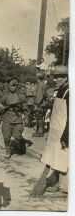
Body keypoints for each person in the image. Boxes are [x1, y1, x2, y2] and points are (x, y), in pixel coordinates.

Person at [41, 65, 69, 194]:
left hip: (64, 131)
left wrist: (66, 136)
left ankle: (65, 187)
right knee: (55, 157)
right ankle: (57, 181)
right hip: (55, 131)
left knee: (63, 158)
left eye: (59, 77)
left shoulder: (70, 92)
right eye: (55, 77)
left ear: (66, 77)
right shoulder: (60, 90)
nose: (56, 80)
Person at [0, 79, 27, 158]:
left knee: (17, 136)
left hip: (17, 118)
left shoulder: (21, 96)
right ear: (9, 86)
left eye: (15, 86)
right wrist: (2, 107)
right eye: (12, 86)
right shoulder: (5, 95)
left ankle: (21, 142)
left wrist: (26, 117)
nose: (13, 88)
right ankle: (8, 152)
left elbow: (25, 108)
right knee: (6, 137)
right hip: (7, 118)